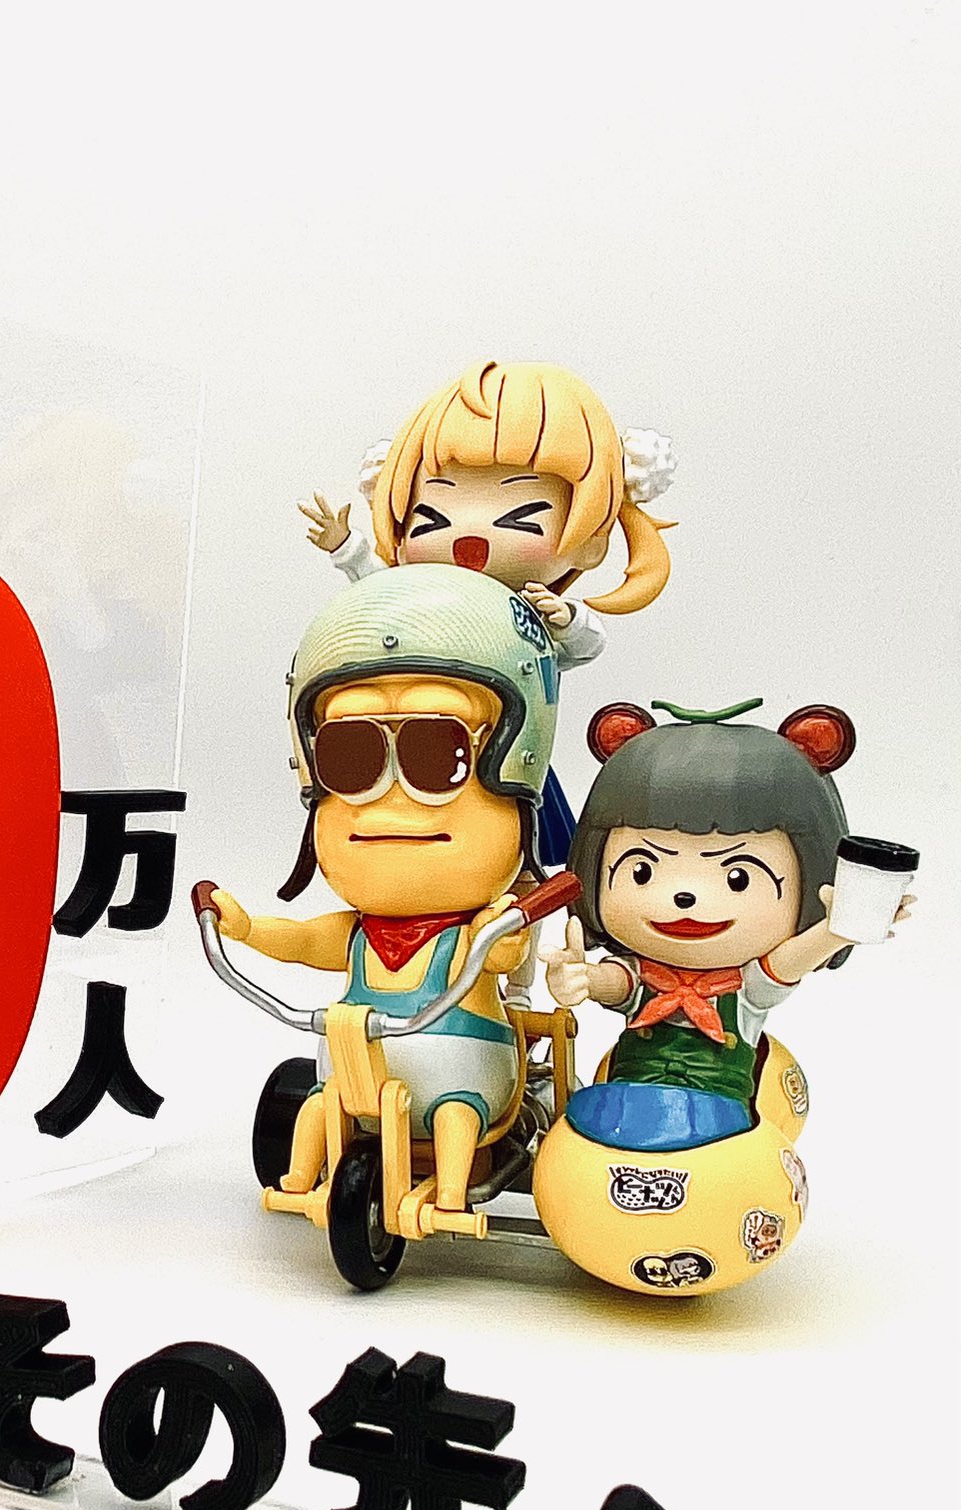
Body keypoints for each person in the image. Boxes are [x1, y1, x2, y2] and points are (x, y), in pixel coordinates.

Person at [208, 562, 556, 1214]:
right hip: (354, 1063)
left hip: (465, 1074)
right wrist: (246, 929)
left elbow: (501, 953)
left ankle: (451, 1192)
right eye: (351, 755)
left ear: (513, 768)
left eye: (437, 752)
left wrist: (505, 930)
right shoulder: (358, 933)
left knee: (456, 1113)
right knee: (320, 1102)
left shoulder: (468, 933)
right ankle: (295, 1179)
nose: (391, 802)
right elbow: (303, 941)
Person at [297, 360, 675, 865]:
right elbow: (379, 592)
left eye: (521, 518)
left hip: (506, 754)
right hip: (413, 743)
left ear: (589, 541)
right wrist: (347, 548)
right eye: (432, 518)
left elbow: (585, 647)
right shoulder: (417, 601)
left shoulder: (527, 612)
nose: (468, 532)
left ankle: (523, 890)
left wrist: (565, 620)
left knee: (516, 837)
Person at [542, 699, 911, 1151]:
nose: (685, 897)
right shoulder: (643, 975)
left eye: (738, 877)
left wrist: (837, 929)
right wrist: (580, 979)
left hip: (720, 1114)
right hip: (625, 1104)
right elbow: (617, 982)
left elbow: (788, 962)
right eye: (642, 870)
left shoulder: (747, 986)